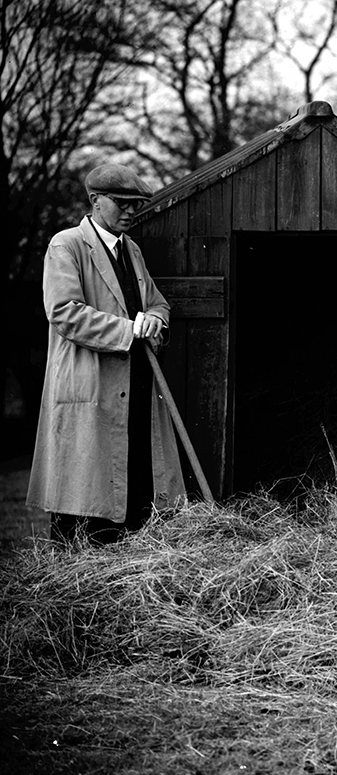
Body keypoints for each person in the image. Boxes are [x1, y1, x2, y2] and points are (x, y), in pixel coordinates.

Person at [27, 163, 186, 543]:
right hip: (89, 388)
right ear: (96, 201)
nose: (131, 211)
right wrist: (130, 329)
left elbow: (158, 306)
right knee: (84, 491)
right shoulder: (66, 244)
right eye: (123, 203)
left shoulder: (131, 250)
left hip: (133, 388)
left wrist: (154, 321)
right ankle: (77, 579)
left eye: (136, 204)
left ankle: (120, 568)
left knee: (129, 489)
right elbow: (64, 312)